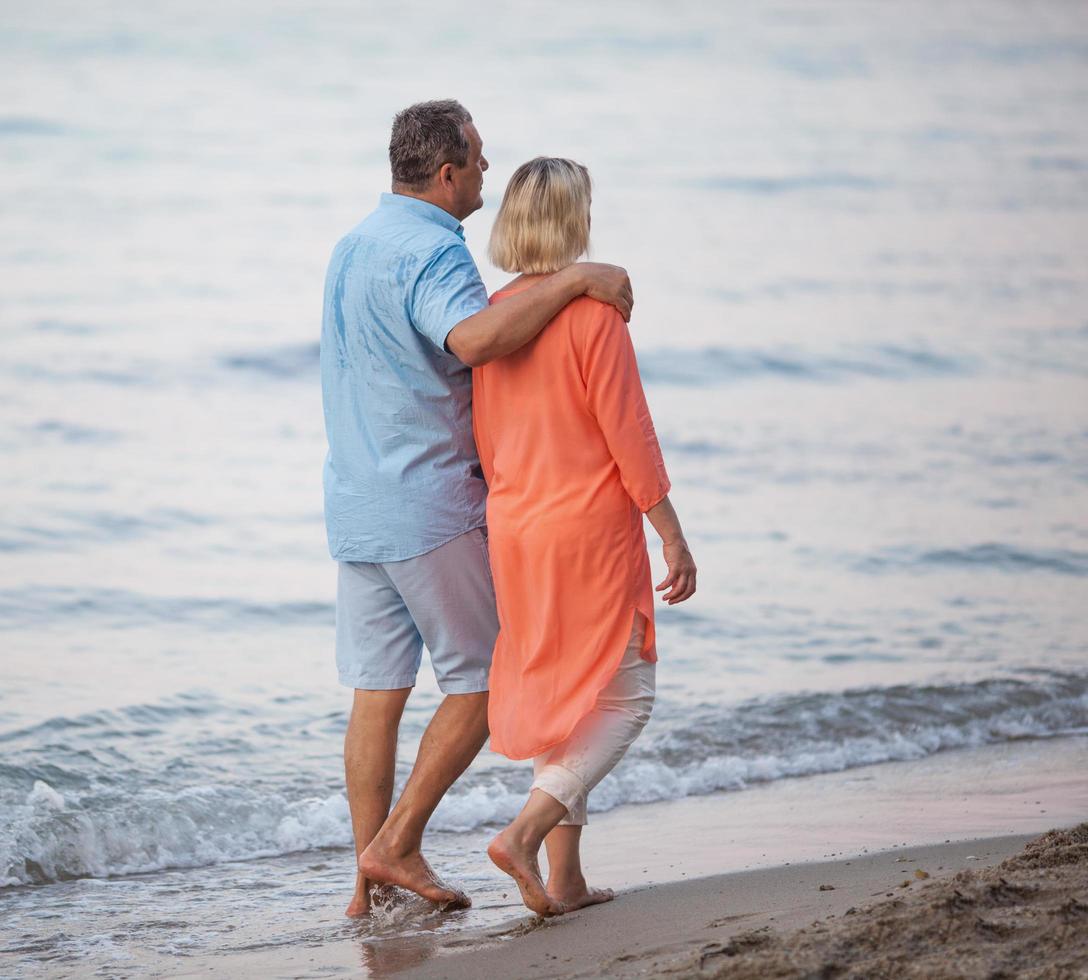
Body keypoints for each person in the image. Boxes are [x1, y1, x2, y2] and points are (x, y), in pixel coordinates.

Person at [320, 101, 635, 916]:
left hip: (354, 504)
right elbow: (474, 340)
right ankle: (396, 846)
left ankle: (372, 885)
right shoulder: (434, 251)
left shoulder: (352, 245)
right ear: (449, 171)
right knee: (484, 686)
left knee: (376, 693)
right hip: (429, 504)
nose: (489, 175)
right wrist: (575, 277)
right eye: (481, 160)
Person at [472, 157, 697, 916]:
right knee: (628, 694)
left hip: (516, 530)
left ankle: (565, 880)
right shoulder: (593, 313)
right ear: (575, 222)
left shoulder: (494, 317)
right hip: (586, 528)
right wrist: (670, 532)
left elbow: (485, 443)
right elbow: (628, 432)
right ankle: (524, 833)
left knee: (563, 695)